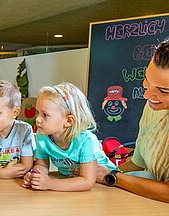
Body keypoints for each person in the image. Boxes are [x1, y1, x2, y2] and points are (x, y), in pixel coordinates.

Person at [96, 42, 169, 202]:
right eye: (147, 79)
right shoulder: (152, 107)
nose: (147, 94)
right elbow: (137, 162)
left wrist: (112, 176)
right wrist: (102, 171)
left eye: (163, 90)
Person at [23, 82, 117, 191]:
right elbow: (42, 166)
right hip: (72, 183)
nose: (38, 119)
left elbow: (87, 181)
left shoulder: (87, 141)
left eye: (45, 115)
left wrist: (50, 183)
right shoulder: (42, 136)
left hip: (106, 185)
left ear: (68, 120)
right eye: (38, 113)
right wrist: (35, 176)